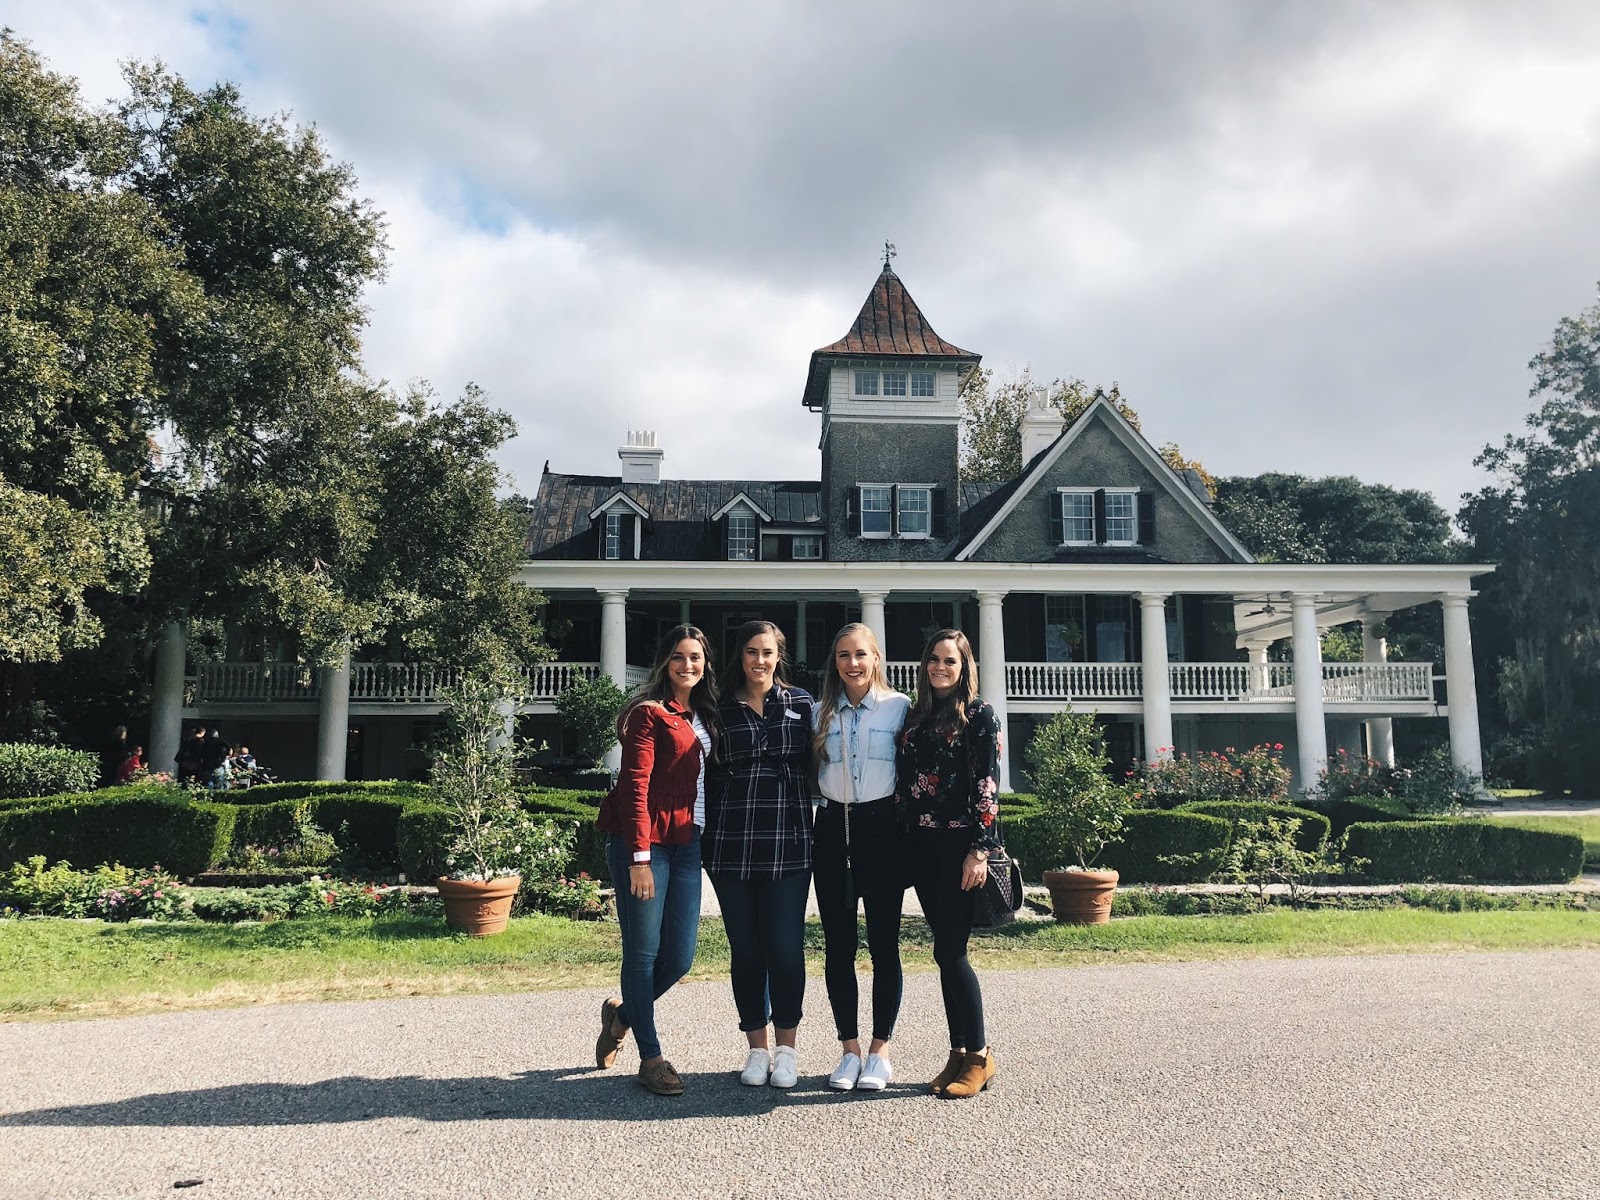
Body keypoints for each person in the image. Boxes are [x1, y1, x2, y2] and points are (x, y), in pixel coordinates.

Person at [594, 624, 718, 1096]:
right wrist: (639, 859)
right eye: (679, 657)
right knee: (643, 956)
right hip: (645, 846)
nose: (689, 665)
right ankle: (651, 1057)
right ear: (664, 663)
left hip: (688, 844)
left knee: (680, 958)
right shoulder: (648, 714)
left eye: (697, 657)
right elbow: (635, 787)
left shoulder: (702, 714)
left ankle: (621, 1015)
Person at [705, 620, 814, 1089]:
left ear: (779, 656)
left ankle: (787, 1049)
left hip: (790, 844)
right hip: (732, 845)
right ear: (741, 656)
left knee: (786, 951)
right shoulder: (718, 709)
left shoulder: (802, 703)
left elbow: (821, 764)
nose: (760, 661)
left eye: (768, 652)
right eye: (752, 651)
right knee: (746, 952)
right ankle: (756, 1048)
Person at [897, 628, 1001, 1099]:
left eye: (950, 661)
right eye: (934, 659)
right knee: (942, 950)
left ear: (964, 668)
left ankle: (980, 1054)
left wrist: (980, 849)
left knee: (953, 952)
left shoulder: (979, 716)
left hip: (960, 847)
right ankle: (957, 1054)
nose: (940, 667)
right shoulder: (917, 716)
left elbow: (987, 786)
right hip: (921, 847)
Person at [811, 622, 911, 1092]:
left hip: (881, 831)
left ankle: (879, 1051)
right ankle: (848, 1051)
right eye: (844, 655)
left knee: (884, 943)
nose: (853, 663)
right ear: (836, 662)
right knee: (838, 947)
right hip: (831, 828)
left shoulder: (900, 710)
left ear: (876, 659)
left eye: (862, 654)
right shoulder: (819, 714)